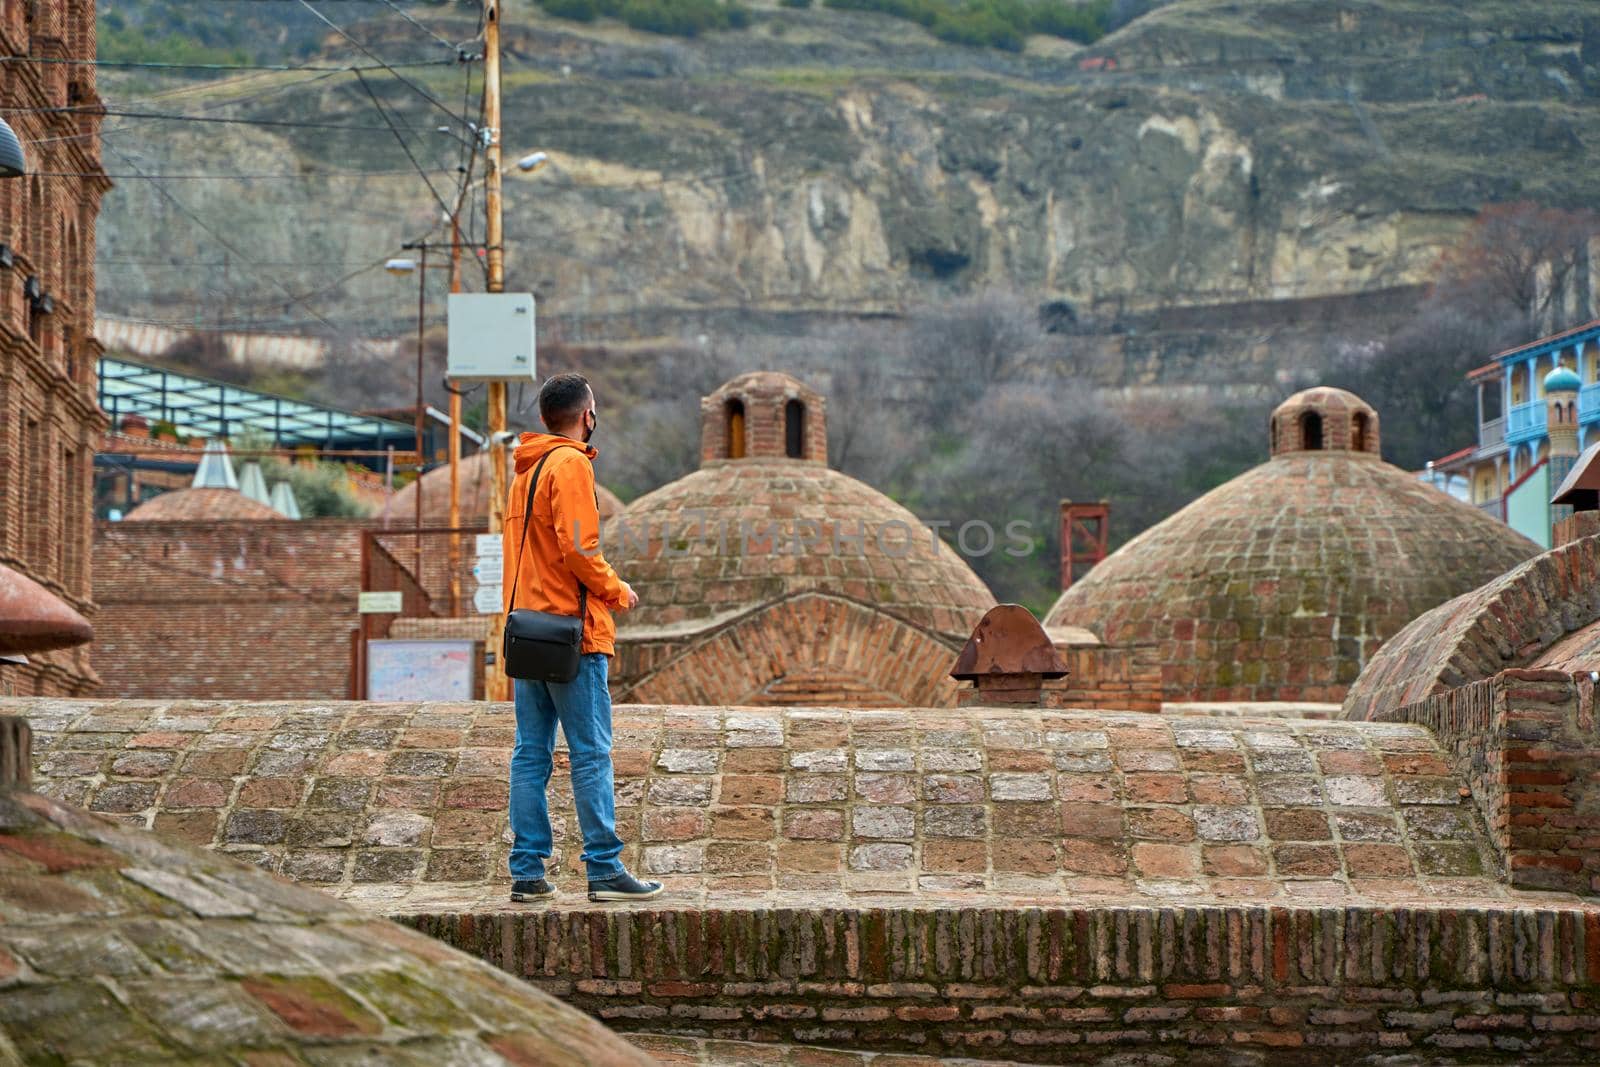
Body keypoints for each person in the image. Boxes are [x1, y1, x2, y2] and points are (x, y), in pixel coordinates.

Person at [503, 372, 662, 902]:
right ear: (586, 415)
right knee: (592, 753)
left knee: (531, 754)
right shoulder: (570, 464)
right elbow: (577, 549)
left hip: (527, 630)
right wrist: (616, 590)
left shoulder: (524, 471)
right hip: (572, 633)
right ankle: (603, 868)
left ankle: (527, 871)